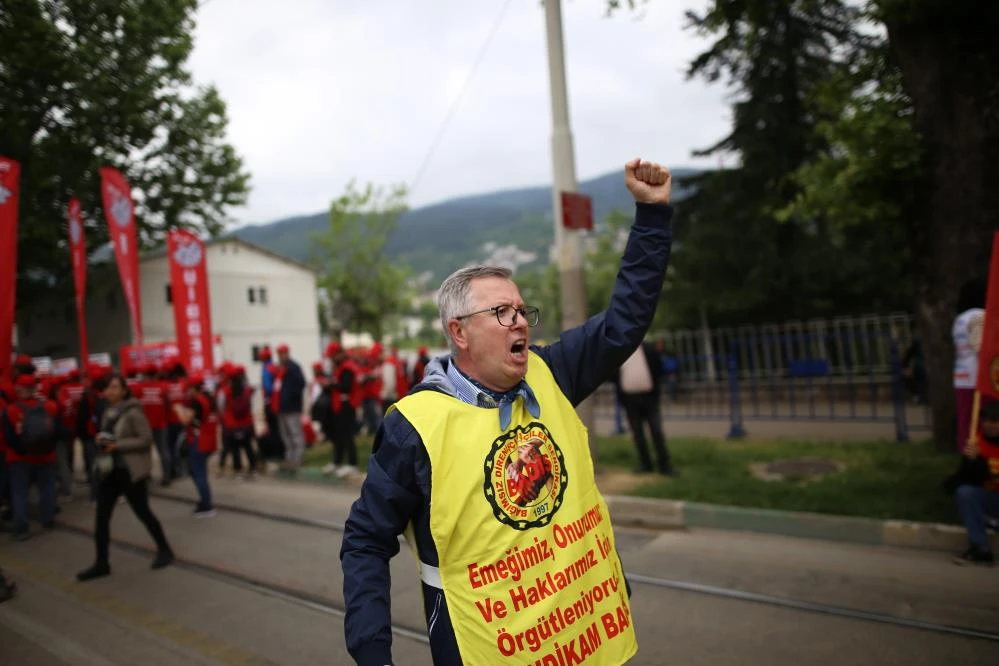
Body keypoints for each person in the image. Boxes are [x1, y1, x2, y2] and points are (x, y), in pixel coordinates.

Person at [340, 158, 673, 665]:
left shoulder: (550, 372)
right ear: (459, 332)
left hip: (583, 632)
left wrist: (651, 218)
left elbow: (625, 320)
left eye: (521, 310)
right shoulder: (415, 428)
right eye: (501, 313)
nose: (520, 321)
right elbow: (366, 539)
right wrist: (373, 655)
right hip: (487, 648)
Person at [76, 374, 173, 581]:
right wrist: (103, 440)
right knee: (101, 517)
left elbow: (145, 439)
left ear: (123, 391)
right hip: (110, 471)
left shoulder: (133, 412)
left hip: (130, 472)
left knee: (143, 512)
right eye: (107, 388)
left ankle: (165, 549)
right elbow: (111, 435)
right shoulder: (107, 411)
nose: (109, 392)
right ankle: (101, 563)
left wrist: (117, 445)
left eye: (114, 387)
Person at [2, 373, 59, 540]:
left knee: (20, 492)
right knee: (47, 488)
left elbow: (8, 436)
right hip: (45, 456)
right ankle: (48, 520)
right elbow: (57, 431)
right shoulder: (50, 406)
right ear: (35, 388)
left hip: (19, 459)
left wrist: (22, 450)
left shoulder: (11, 410)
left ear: (18, 389)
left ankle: (21, 527)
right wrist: (48, 448)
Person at [614, 341, 674, 476]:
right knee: (638, 433)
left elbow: (659, 368)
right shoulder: (618, 352)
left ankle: (664, 465)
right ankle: (645, 464)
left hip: (649, 397)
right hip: (629, 400)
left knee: (656, 431)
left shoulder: (648, 349)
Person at [953, 400, 999, 565]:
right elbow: (964, 480)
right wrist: (972, 461)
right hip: (991, 497)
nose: (988, 425)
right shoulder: (976, 443)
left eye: (994, 421)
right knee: (965, 492)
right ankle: (980, 548)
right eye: (985, 420)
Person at [173, 374, 218, 516]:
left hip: (199, 441)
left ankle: (207, 505)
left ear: (193, 388)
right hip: (209, 439)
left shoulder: (197, 401)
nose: (188, 392)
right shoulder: (208, 398)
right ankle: (205, 501)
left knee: (199, 473)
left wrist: (178, 409)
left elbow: (185, 420)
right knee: (198, 472)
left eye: (189, 389)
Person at [953, 280, 986, 451]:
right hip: (978, 379)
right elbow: (980, 347)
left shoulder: (959, 319)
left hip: (962, 377)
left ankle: (966, 457)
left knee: (965, 423)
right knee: (980, 423)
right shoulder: (979, 316)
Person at [275, 343, 307, 470]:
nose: (282, 356)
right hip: (281, 407)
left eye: (283, 353)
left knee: (295, 433)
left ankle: (298, 457)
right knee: (285, 434)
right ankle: (290, 457)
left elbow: (301, 384)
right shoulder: (280, 368)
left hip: (291, 407)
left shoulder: (294, 367)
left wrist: (291, 397)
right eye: (280, 353)